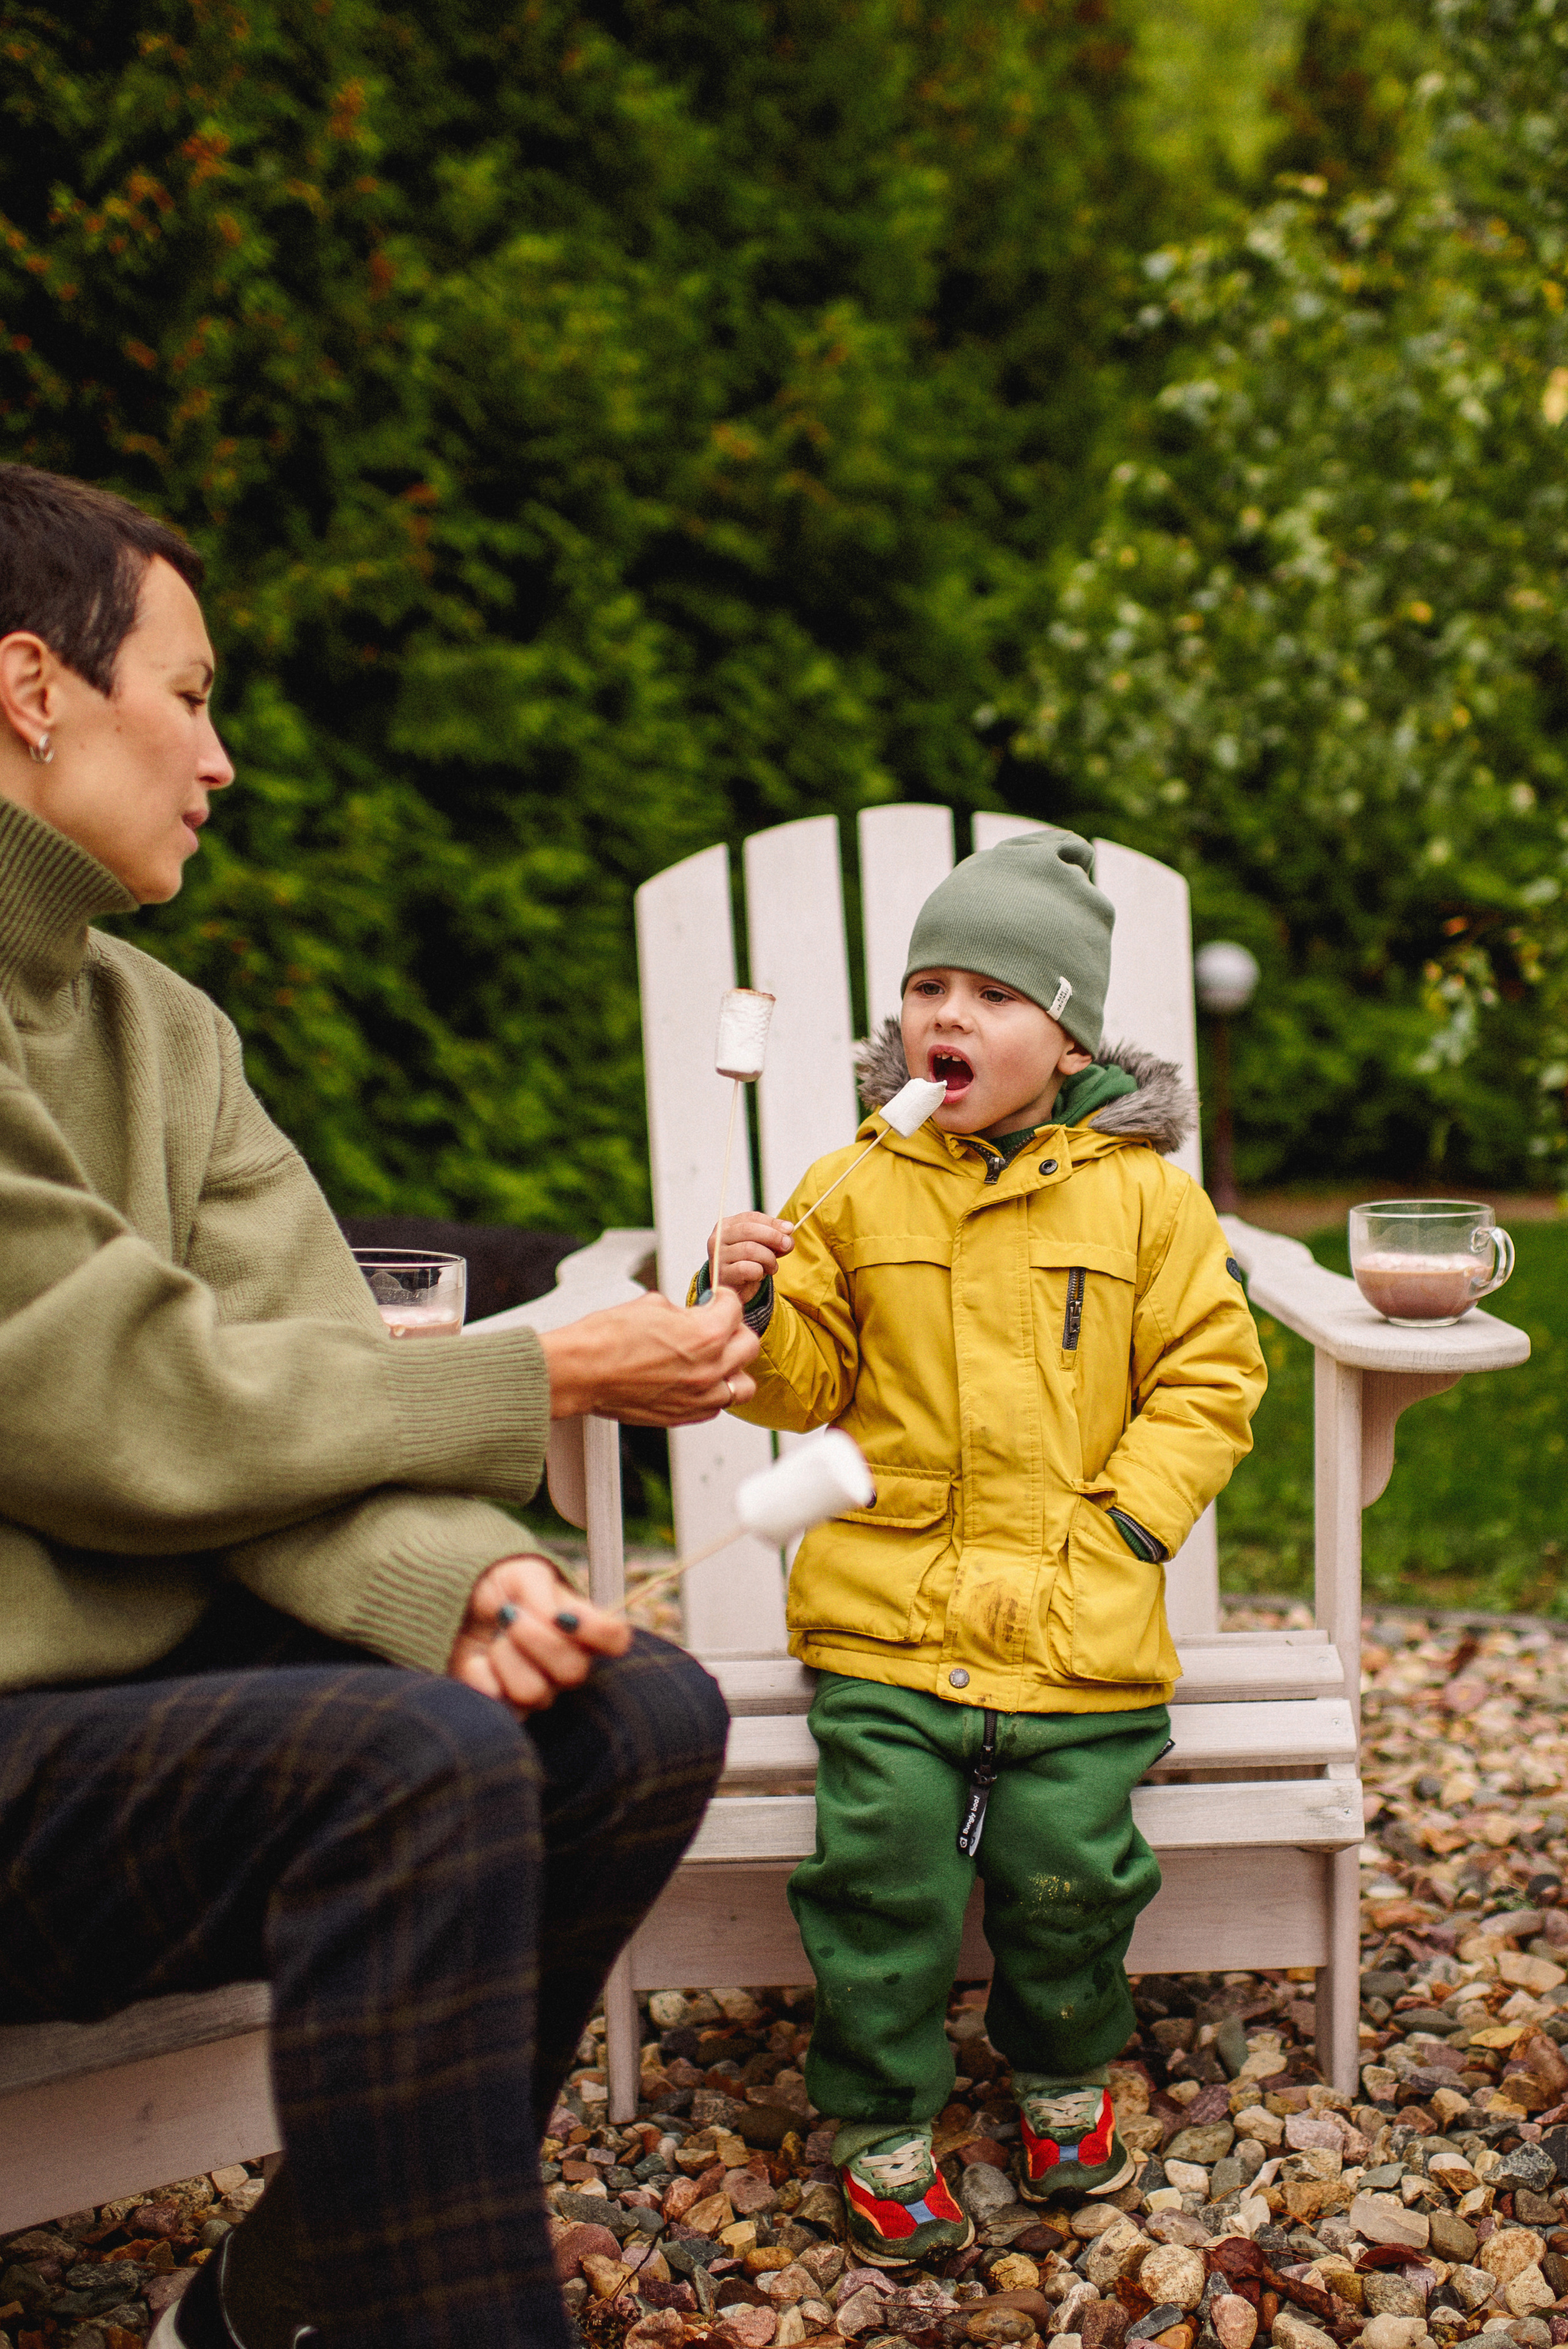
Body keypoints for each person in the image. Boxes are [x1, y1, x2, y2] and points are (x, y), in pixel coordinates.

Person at [0, 463, 759, 2349]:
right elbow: (115, 1391)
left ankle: (280, 2302)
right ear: (31, 689)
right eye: (189, 696)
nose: (221, 758)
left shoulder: (165, 1032)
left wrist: (474, 1588)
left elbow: (305, 1364)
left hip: (123, 1727)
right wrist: (545, 1368)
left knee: (635, 1715)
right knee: (415, 1765)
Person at [703, 828, 1267, 2265]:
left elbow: (1210, 1377)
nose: (946, 1015)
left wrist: (1127, 1521)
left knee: (1070, 1875)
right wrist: (756, 1306)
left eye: (992, 995)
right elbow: (804, 1388)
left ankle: (1063, 2074)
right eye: (926, 988)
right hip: (889, 1613)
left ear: (1067, 1036)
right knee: (879, 1870)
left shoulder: (1144, 1199)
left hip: (1078, 1622)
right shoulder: (849, 1186)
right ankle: (879, 2118)